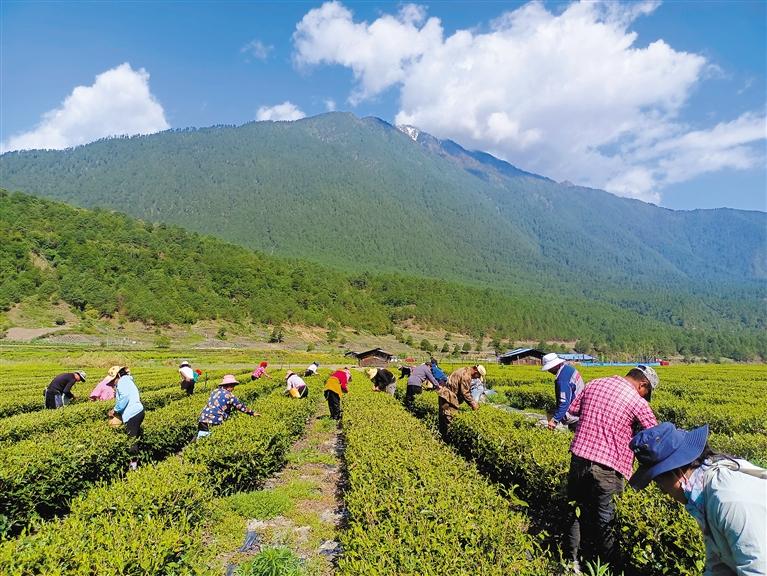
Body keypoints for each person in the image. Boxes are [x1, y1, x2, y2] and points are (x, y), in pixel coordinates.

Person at [629, 422, 766, 576]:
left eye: (658, 482)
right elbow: (718, 565)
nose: (663, 491)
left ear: (676, 473)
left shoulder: (727, 499)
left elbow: (758, 569)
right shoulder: (704, 499)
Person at [564, 364, 659, 572]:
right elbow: (655, 435)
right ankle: (608, 568)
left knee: (575, 508)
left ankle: (571, 560)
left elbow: (571, 412)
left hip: (579, 457)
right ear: (643, 385)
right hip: (608, 467)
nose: (645, 396)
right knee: (606, 519)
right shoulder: (637, 402)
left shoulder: (594, 384)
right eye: (647, 392)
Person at [106, 366, 144, 471]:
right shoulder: (127, 381)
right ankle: (134, 463)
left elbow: (125, 397)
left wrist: (115, 410)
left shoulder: (122, 382)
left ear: (118, 375)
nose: (113, 382)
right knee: (134, 437)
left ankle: (133, 466)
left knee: (131, 440)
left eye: (114, 379)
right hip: (137, 411)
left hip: (132, 413)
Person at [198, 374, 260, 438]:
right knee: (213, 438)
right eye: (233, 386)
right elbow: (240, 406)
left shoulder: (214, 391)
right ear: (229, 386)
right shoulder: (229, 395)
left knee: (201, 437)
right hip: (215, 419)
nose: (233, 388)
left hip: (203, 418)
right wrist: (252, 413)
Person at [437, 365, 483, 439]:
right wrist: (473, 403)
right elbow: (465, 393)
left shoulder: (465, 369)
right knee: (450, 417)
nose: (477, 378)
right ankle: (447, 439)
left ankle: (442, 436)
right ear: (476, 371)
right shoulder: (466, 376)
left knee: (443, 416)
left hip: (445, 394)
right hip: (448, 397)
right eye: (478, 376)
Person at [541, 353, 584, 430]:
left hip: (575, 414)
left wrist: (554, 421)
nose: (548, 370)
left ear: (555, 365)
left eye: (550, 368)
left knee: (574, 433)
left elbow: (564, 402)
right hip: (580, 407)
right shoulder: (568, 369)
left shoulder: (562, 379)